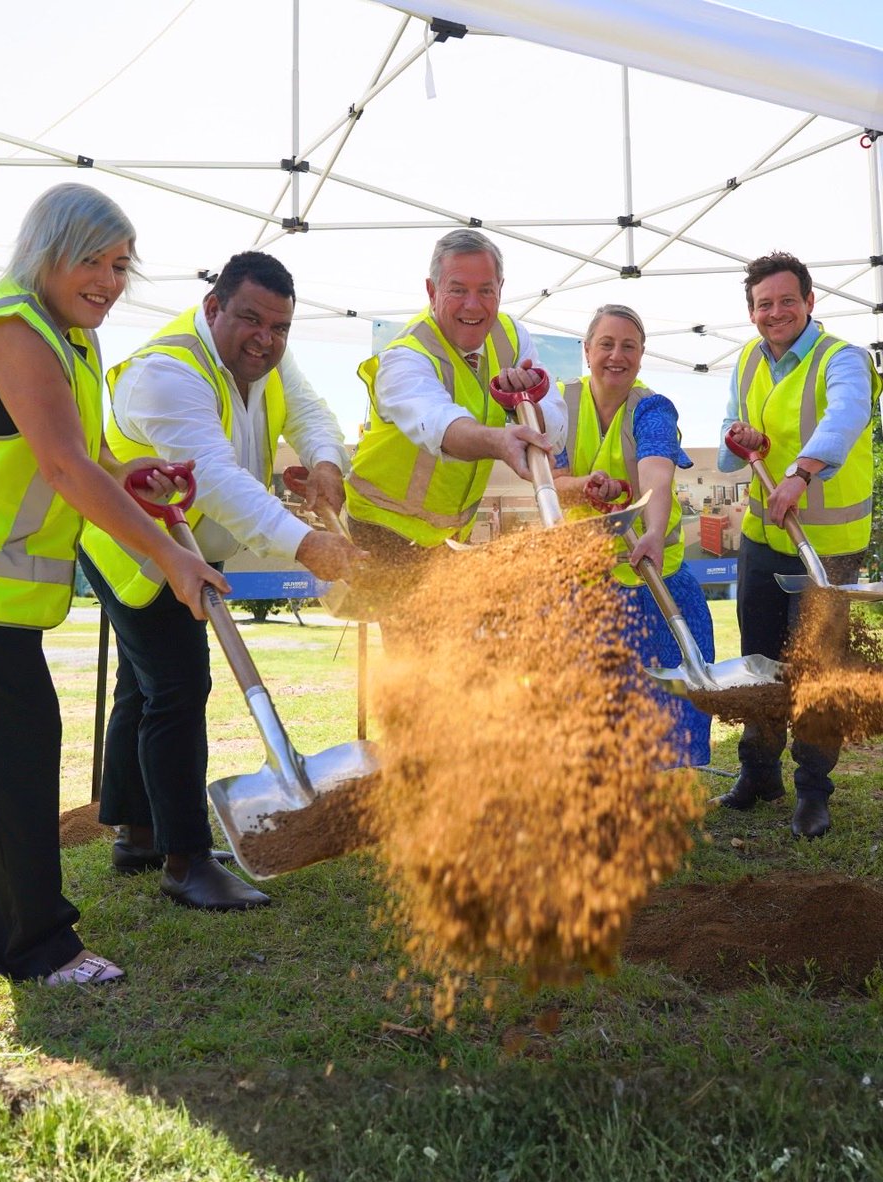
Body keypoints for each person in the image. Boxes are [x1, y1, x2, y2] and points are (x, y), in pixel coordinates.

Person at [0, 183, 227, 985]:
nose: (109, 278)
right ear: (46, 252)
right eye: (90, 258)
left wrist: (132, 474)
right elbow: (61, 469)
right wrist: (171, 557)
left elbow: (73, 459)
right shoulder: (16, 333)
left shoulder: (66, 339)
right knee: (13, 761)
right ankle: (34, 947)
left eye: (121, 264)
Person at [79, 251, 362, 910]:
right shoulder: (167, 375)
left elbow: (314, 412)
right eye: (250, 320)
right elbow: (216, 479)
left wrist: (325, 465)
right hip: (135, 547)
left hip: (188, 545)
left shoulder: (266, 353)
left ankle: (138, 832)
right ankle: (186, 860)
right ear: (214, 309)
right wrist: (306, 543)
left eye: (279, 327)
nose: (265, 338)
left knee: (144, 685)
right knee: (179, 684)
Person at [716, 251, 882, 838]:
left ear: (810, 302)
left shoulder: (844, 359)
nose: (777, 312)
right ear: (752, 311)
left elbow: (846, 415)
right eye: (765, 304)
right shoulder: (746, 360)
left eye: (788, 300)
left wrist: (801, 472)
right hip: (762, 540)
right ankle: (759, 773)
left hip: (827, 549)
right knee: (759, 665)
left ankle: (814, 791)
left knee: (817, 671)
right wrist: (741, 437)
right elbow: (730, 431)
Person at [552, 303, 715, 768]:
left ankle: (661, 795)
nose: (616, 355)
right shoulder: (560, 406)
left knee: (668, 695)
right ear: (587, 351)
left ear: (642, 356)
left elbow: (657, 474)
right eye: (606, 344)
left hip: (653, 581)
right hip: (588, 585)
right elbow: (550, 482)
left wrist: (654, 532)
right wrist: (583, 486)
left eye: (629, 346)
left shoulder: (653, 410)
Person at [344, 229, 568, 566]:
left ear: (501, 289)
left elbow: (556, 428)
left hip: (446, 539)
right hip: (381, 531)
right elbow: (439, 425)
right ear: (432, 291)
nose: (473, 305)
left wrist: (527, 408)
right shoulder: (405, 357)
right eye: (458, 290)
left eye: (486, 291)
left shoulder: (512, 336)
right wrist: (499, 442)